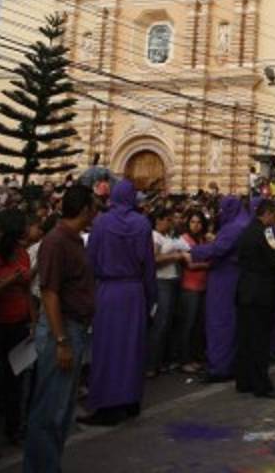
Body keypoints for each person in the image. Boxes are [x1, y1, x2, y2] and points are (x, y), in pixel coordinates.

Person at [24, 184, 98, 473]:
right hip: (62, 330)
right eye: (93, 207)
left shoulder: (73, 239)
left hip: (73, 330)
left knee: (62, 411)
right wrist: (61, 340)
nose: (96, 212)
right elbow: (50, 292)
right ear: (83, 210)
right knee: (50, 412)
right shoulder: (56, 241)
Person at [82, 179, 157, 426]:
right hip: (134, 292)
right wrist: (151, 296)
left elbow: (90, 261)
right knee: (132, 348)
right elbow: (148, 264)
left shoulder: (102, 223)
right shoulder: (142, 223)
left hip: (108, 291)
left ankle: (106, 405)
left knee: (106, 349)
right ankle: (130, 400)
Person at [234, 199, 275, 398]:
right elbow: (272, 259)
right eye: (274, 215)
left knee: (246, 339)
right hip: (261, 292)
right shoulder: (265, 232)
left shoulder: (246, 231)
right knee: (260, 341)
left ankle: (244, 381)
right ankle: (262, 385)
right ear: (267, 214)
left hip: (245, 290)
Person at [189, 195, 250, 382]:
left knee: (219, 323)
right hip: (237, 278)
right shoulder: (246, 223)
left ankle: (219, 367)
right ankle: (229, 364)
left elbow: (218, 249)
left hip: (223, 279)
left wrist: (193, 251)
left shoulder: (233, 228)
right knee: (232, 324)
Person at [0, 209, 33, 445]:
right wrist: (9, 281)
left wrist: (32, 321)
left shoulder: (23, 254)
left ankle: (14, 427)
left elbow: (27, 290)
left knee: (18, 377)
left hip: (19, 322)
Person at [147, 207, 190, 377]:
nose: (170, 223)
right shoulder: (154, 236)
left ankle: (162, 360)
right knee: (160, 323)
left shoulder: (167, 236)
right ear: (159, 220)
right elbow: (154, 259)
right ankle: (151, 363)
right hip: (162, 281)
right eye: (168, 220)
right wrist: (176, 256)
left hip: (173, 280)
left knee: (169, 323)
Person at [174, 211, 210, 373]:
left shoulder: (203, 240)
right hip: (189, 288)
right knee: (187, 325)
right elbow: (190, 265)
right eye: (193, 222)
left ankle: (195, 357)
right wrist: (209, 264)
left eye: (199, 222)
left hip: (203, 287)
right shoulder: (184, 240)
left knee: (198, 325)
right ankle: (184, 359)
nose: (196, 225)